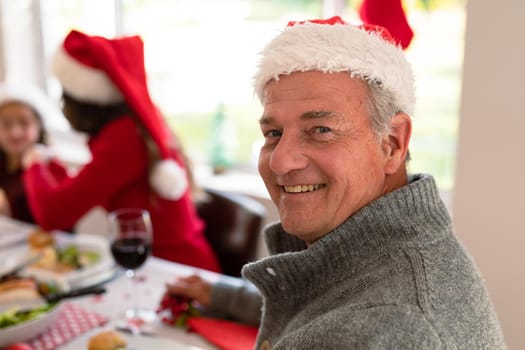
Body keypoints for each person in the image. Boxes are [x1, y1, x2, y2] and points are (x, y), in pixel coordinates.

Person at [165, 16, 507, 349]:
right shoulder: (403, 259)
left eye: (321, 131)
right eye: (273, 133)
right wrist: (221, 295)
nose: (281, 161)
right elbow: (322, 301)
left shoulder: (381, 329)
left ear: (392, 143)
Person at [22, 30, 221, 272]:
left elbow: (52, 215)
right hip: (157, 266)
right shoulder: (132, 125)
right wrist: (50, 164)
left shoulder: (123, 140)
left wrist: (33, 164)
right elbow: (79, 192)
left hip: (176, 273)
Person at [0, 83, 66, 223]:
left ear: (39, 126)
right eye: (6, 124)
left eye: (24, 123)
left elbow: (62, 217)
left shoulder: (50, 165)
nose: (15, 133)